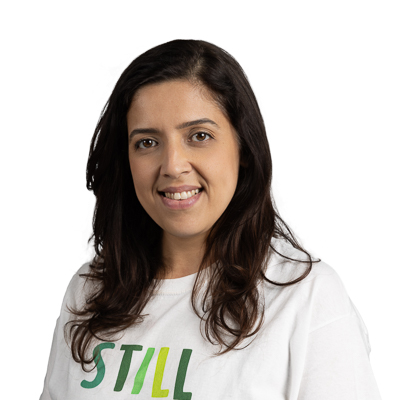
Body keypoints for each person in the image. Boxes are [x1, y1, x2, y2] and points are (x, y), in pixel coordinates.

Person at [40, 39, 381, 399]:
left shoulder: (306, 298)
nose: (173, 166)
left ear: (243, 147)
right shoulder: (91, 290)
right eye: (147, 142)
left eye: (199, 136)